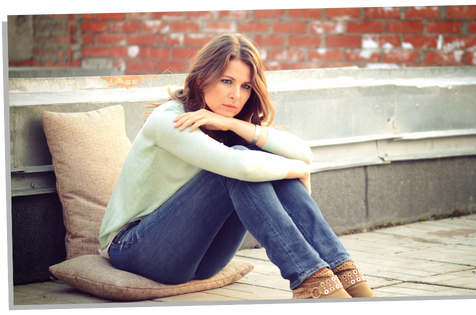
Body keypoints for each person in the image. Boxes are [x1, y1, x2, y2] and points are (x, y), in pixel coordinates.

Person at [98, 33, 377, 299]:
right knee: (241, 164)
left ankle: (343, 271)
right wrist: (298, 170)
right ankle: (311, 279)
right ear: (203, 77)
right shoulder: (170, 119)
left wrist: (234, 124)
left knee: (255, 153)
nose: (236, 95)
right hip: (136, 247)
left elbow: (304, 153)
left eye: (245, 86)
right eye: (226, 81)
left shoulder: (227, 121)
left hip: (202, 261)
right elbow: (246, 167)